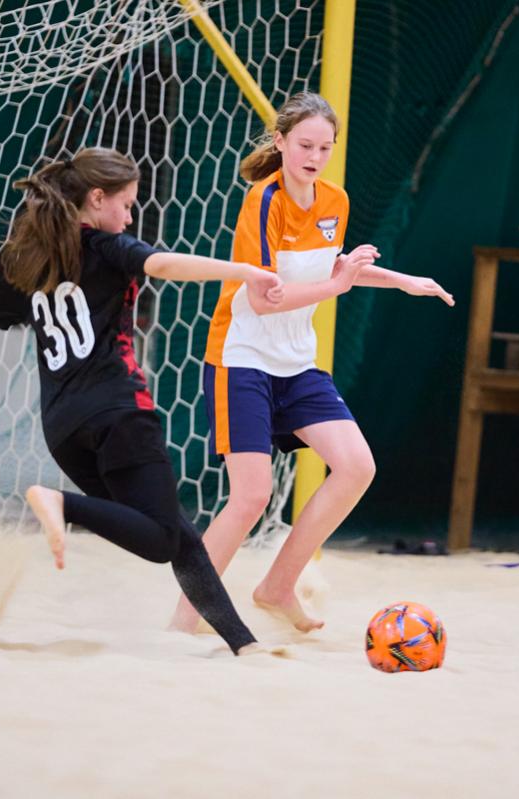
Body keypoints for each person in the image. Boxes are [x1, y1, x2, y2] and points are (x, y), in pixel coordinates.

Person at [0, 147, 283, 655]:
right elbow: (162, 264)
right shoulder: (107, 247)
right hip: (119, 414)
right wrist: (245, 271)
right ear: (97, 199)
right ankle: (61, 504)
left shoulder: (34, 259)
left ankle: (244, 645)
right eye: (126, 205)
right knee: (162, 539)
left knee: (176, 533)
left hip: (63, 430)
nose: (129, 217)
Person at [169, 92, 454, 634]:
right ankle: (186, 617)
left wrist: (401, 281)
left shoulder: (335, 201)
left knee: (356, 467)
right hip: (241, 359)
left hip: (295, 364)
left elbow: (331, 271)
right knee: (251, 496)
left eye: (325, 147)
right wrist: (337, 285)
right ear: (280, 142)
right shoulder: (264, 200)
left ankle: (278, 587)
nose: (315, 156)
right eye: (305, 145)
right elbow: (263, 299)